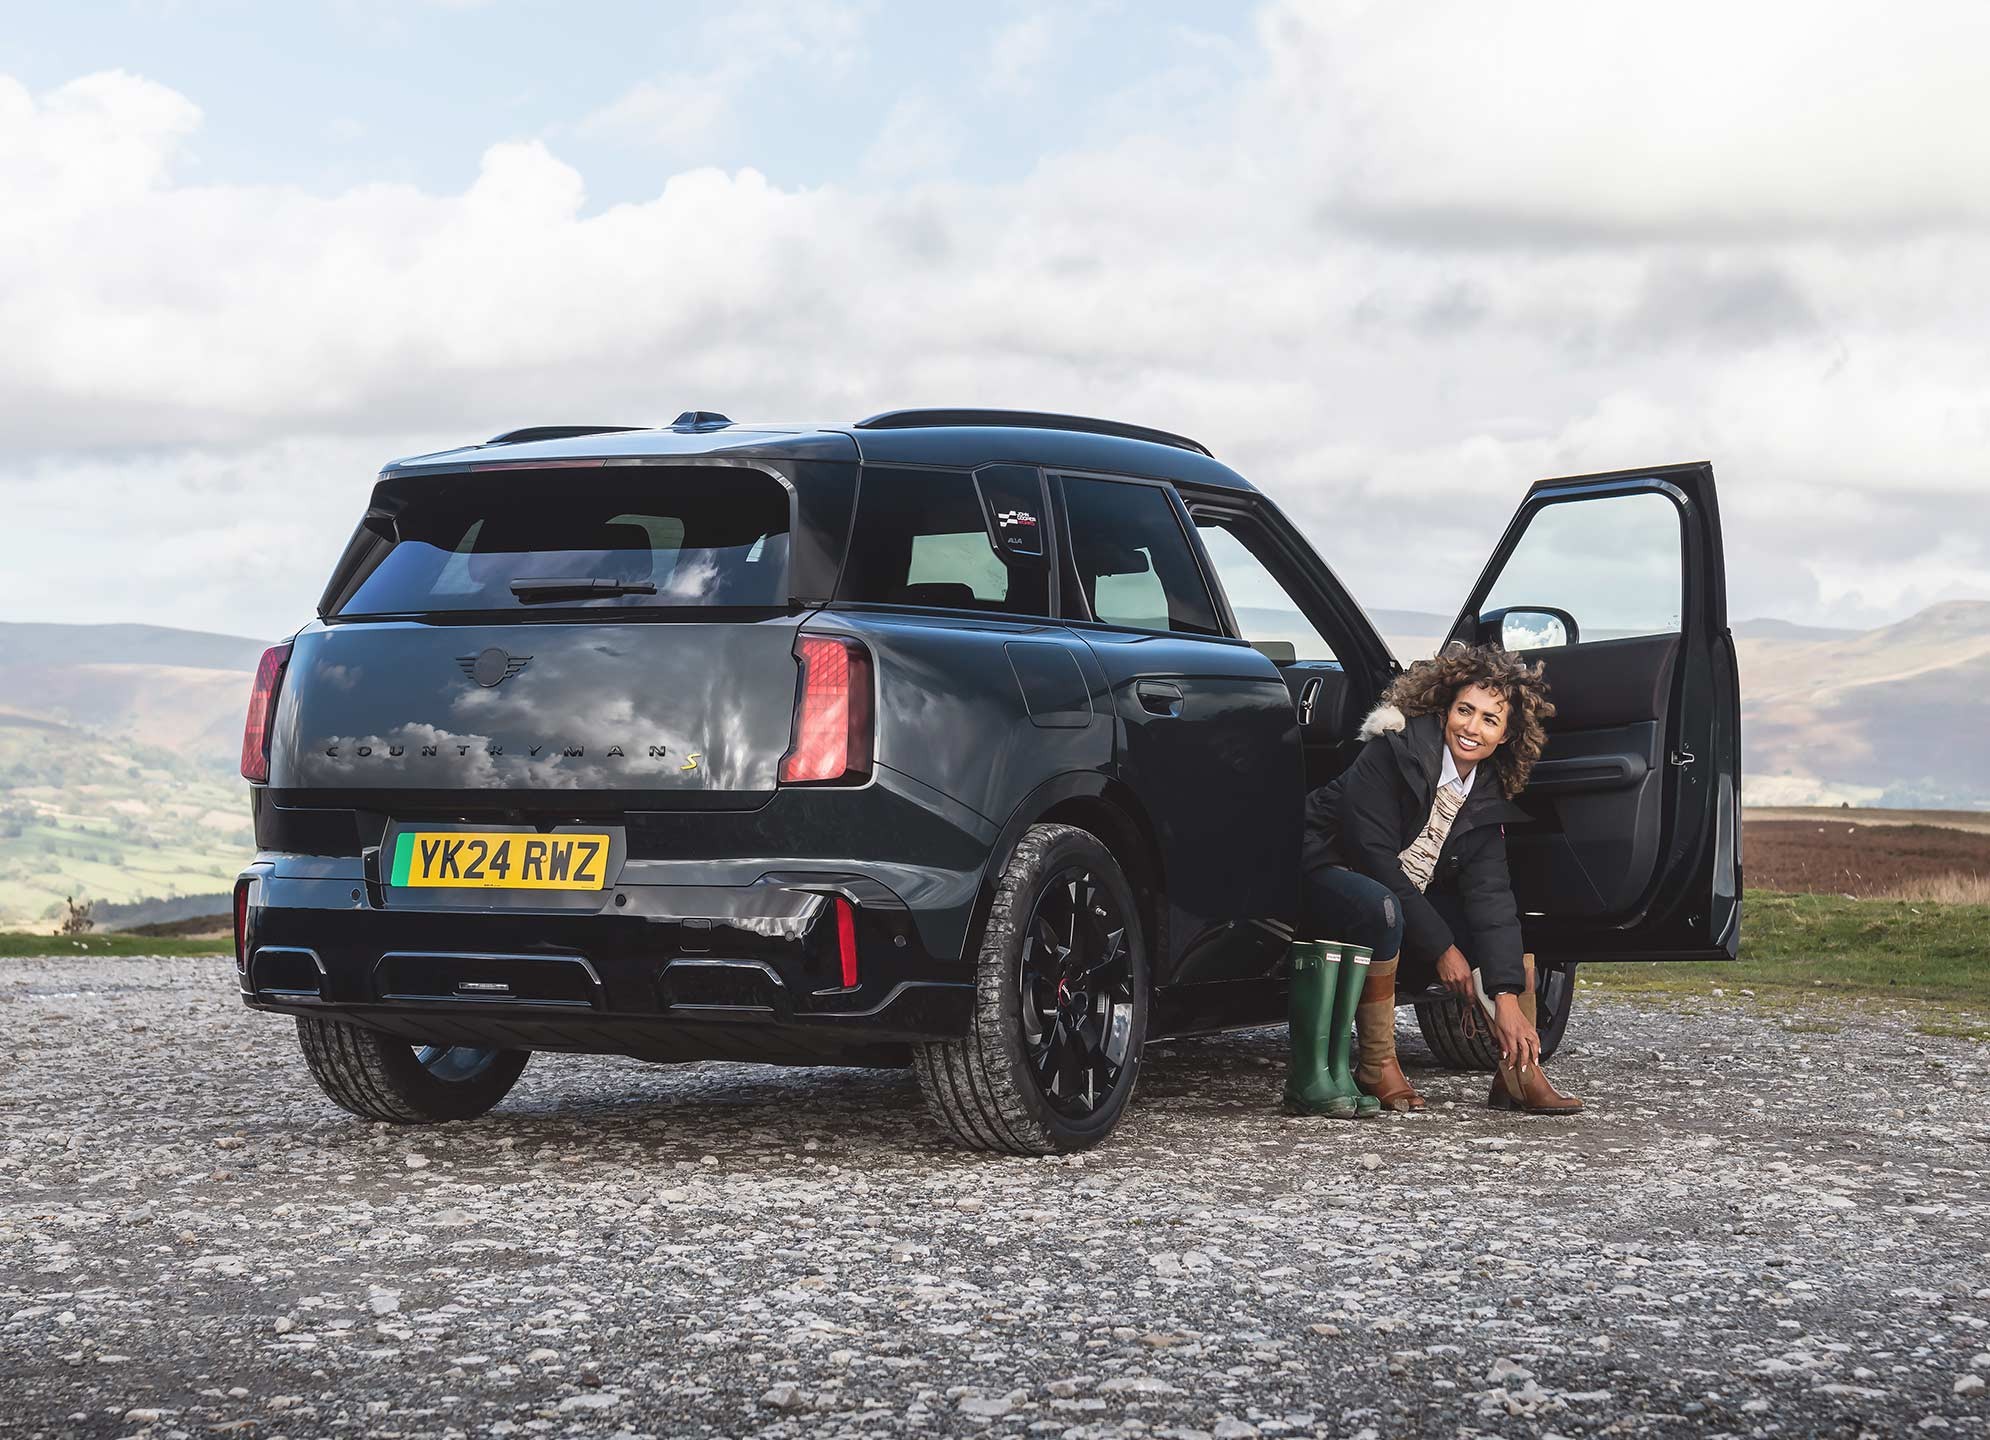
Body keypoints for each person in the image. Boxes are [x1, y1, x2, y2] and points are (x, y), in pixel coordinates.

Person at [1295, 643, 1581, 1115]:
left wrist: (1506, 996)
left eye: (1490, 719)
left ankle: (1519, 1076)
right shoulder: (1394, 751)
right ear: (1445, 707)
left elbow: (1490, 895)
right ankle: (1376, 1064)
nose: (1472, 727)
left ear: (1506, 736)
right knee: (1381, 905)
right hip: (1322, 877)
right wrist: (1444, 950)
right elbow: (1374, 860)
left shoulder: (1485, 793)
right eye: (1465, 710)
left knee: (1504, 946)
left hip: (1396, 898)